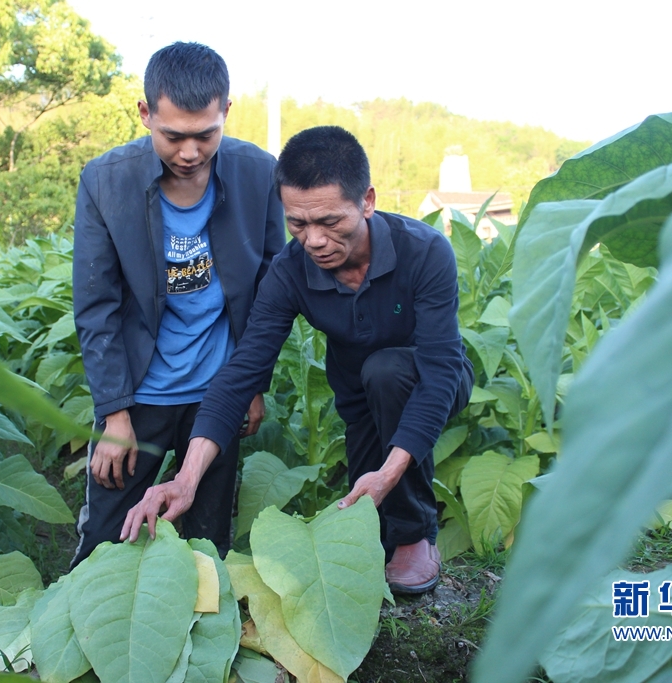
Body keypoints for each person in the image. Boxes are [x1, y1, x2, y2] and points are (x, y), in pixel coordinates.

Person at [121, 125, 474, 594]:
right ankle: (386, 546)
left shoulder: (425, 251)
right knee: (365, 508)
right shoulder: (290, 271)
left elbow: (439, 370)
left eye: (330, 222)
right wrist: (186, 479)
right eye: (297, 223)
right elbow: (242, 372)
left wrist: (392, 472)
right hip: (356, 395)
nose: (314, 240)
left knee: (388, 379)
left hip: (434, 378)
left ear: (366, 201)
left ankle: (416, 535)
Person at [70, 42, 285, 566]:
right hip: (141, 392)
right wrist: (113, 414)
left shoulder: (259, 174)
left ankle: (199, 638)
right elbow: (96, 305)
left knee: (208, 542)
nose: (190, 151)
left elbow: (268, 293)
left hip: (219, 389)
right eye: (173, 136)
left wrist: (252, 386)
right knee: (107, 538)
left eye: (206, 134)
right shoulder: (106, 181)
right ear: (145, 114)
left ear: (226, 113)